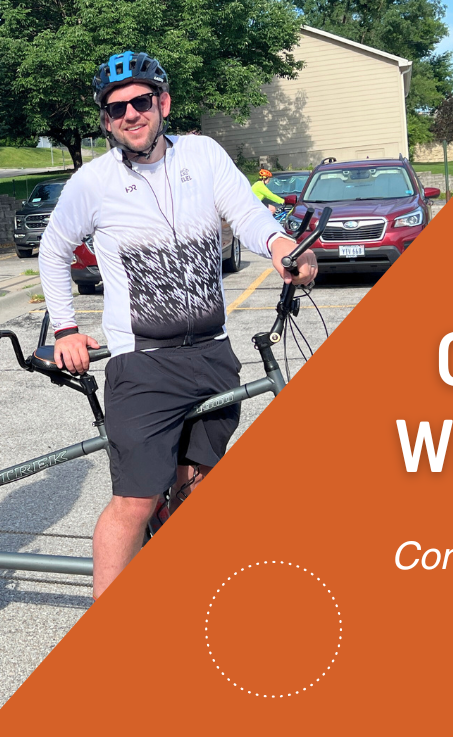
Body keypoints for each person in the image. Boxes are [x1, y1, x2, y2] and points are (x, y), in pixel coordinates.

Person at [39, 51, 318, 599]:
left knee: (198, 484)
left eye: (140, 102)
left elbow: (248, 215)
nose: (130, 115)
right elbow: (53, 251)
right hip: (142, 365)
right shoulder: (91, 181)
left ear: (161, 103)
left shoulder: (203, 155)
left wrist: (283, 246)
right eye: (115, 109)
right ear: (105, 120)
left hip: (212, 353)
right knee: (135, 502)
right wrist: (65, 329)